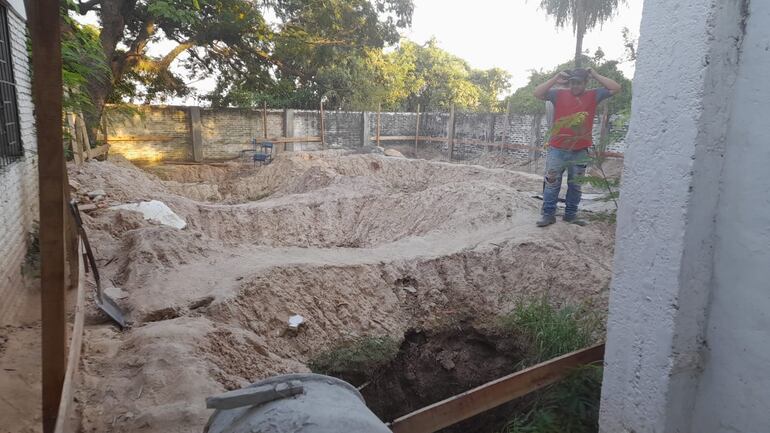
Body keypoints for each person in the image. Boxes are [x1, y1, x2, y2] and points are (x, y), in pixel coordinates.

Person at [532, 68, 621, 227]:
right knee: (552, 183)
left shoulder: (594, 95)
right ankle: (548, 214)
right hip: (557, 149)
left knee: (576, 186)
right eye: (573, 82)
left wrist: (595, 74)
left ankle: (570, 215)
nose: (575, 86)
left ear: (585, 83)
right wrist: (555, 77)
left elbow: (616, 88)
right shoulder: (557, 94)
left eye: (579, 83)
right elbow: (537, 93)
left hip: (580, 150)